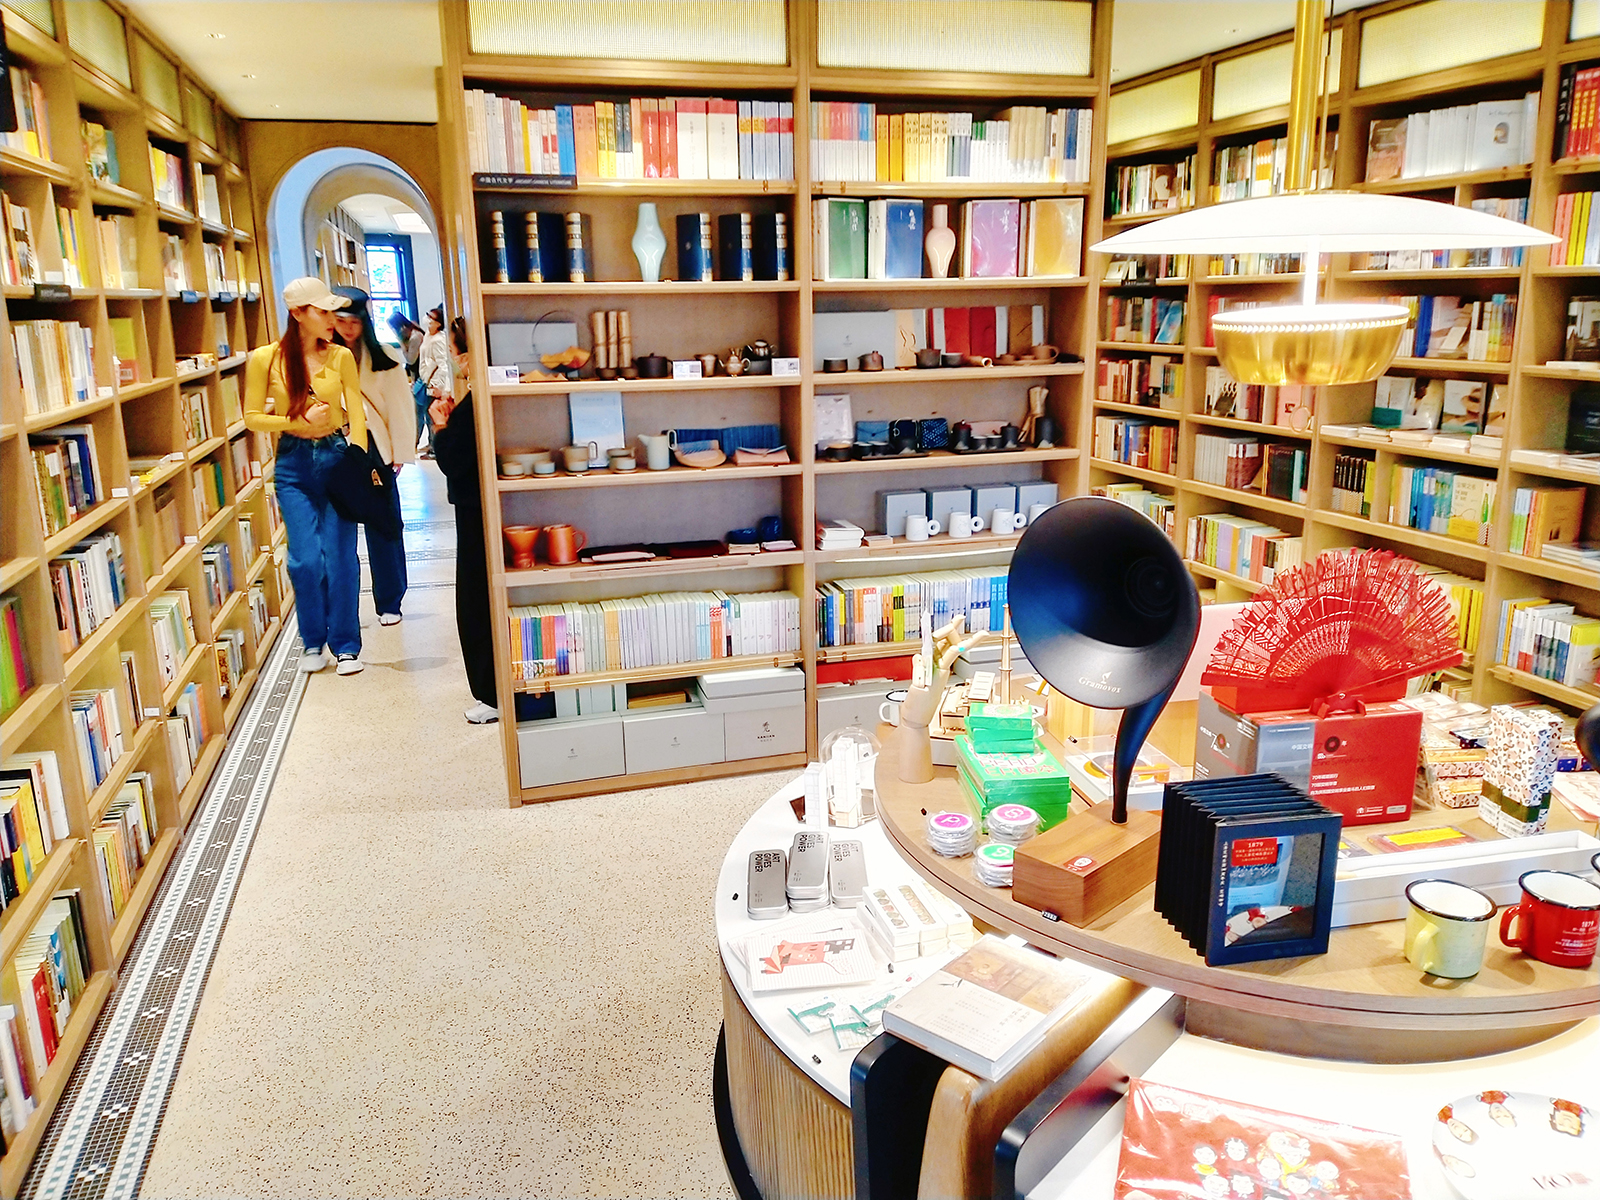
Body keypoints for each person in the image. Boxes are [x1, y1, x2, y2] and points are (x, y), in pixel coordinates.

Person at [243, 277, 367, 676]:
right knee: (305, 561)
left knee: (341, 557)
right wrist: (293, 419)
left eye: (334, 310)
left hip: (335, 457)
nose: (333, 319)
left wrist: (358, 457)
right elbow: (250, 417)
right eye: (323, 311)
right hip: (293, 462)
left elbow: (357, 411)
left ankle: (346, 645)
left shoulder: (340, 356)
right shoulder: (265, 359)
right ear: (297, 314)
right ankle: (312, 640)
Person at [333, 286, 415, 625]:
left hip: (375, 449)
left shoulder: (386, 356)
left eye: (355, 320)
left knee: (384, 525)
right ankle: (340, 613)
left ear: (365, 320)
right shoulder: (320, 357)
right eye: (340, 321)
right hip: (335, 447)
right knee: (338, 530)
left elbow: (400, 407)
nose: (348, 328)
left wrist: (400, 453)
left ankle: (390, 601)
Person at [430, 318, 497, 723]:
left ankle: (490, 694)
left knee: (474, 599)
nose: (455, 360)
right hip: (480, 506)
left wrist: (440, 425)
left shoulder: (476, 399)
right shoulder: (478, 398)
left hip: (474, 510)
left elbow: (454, 461)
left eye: (457, 352)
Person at [417, 305, 451, 459]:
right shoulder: (427, 336)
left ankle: (435, 448)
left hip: (433, 384)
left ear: (438, 323)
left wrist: (439, 385)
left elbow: (443, 365)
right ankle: (431, 445)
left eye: (432, 318)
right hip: (425, 380)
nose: (428, 319)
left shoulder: (438, 340)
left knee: (432, 416)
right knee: (425, 413)